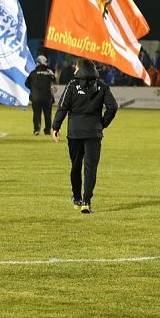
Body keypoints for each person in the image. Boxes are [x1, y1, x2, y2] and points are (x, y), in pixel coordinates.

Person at [52, 58, 118, 214]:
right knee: (90, 168)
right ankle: (87, 202)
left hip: (74, 132)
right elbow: (113, 107)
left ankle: (77, 198)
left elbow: (63, 107)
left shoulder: (72, 85)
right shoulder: (101, 86)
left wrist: (56, 126)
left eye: (75, 67)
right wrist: (102, 123)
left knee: (76, 165)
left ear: (79, 69)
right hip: (94, 132)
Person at [26, 54, 56, 135]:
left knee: (36, 114)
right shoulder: (49, 72)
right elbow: (54, 81)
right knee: (48, 115)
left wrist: (33, 88)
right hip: (47, 98)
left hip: (36, 98)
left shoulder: (33, 73)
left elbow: (27, 84)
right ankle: (47, 130)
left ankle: (37, 130)